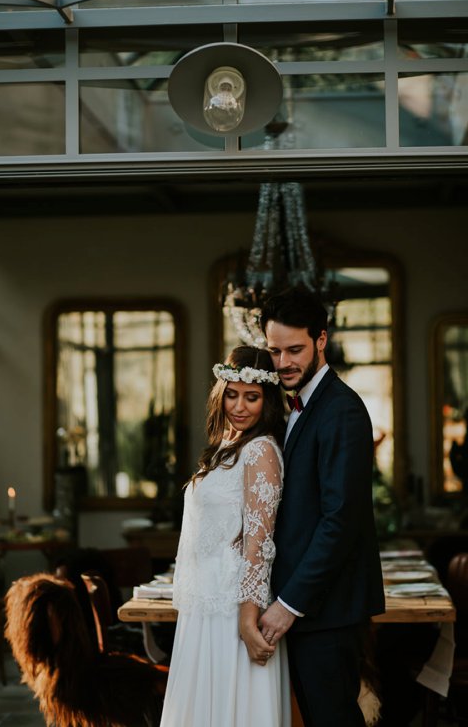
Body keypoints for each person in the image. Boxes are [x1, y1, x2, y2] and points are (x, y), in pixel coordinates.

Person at [258, 286, 385, 727]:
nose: (283, 363)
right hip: (308, 611)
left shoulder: (342, 410)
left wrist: (288, 603)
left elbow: (340, 520)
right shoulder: (287, 405)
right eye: (274, 351)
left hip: (327, 612)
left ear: (321, 340)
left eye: (295, 349)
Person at [160, 346, 289, 726]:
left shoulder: (261, 450)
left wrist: (248, 622)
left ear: (266, 401)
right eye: (231, 394)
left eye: (252, 397)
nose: (240, 406)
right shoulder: (227, 446)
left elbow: (260, 544)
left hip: (232, 610)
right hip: (206, 605)